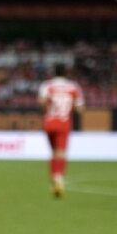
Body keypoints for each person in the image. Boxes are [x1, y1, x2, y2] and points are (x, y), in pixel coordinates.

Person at [38, 63, 84, 198]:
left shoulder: (47, 85)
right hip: (64, 123)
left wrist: (47, 111)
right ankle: (59, 178)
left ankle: (54, 177)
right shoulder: (73, 87)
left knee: (53, 152)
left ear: (54, 72)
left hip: (49, 122)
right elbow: (80, 108)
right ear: (66, 72)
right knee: (61, 153)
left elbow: (41, 102)